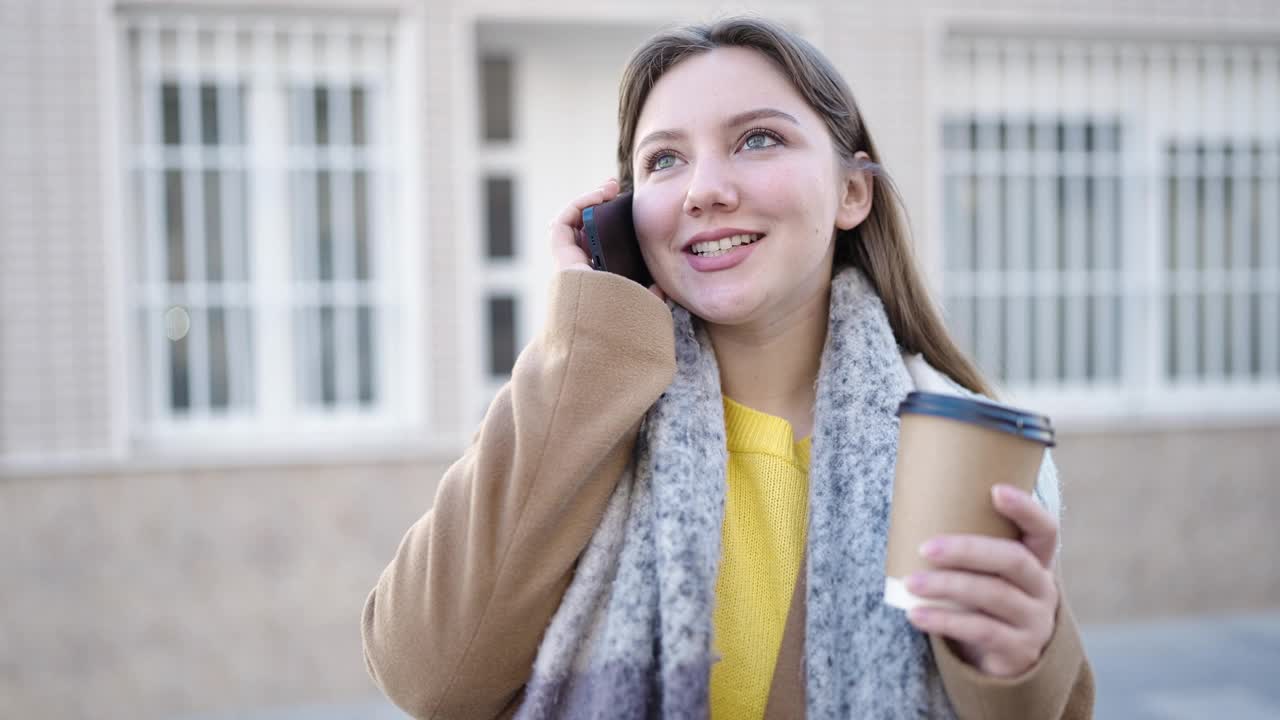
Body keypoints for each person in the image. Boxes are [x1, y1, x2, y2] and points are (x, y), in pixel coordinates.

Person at [362, 15, 1094, 720]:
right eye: (665, 160)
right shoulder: (582, 416)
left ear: (852, 192)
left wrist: (1017, 672)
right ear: (623, 215)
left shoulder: (955, 446)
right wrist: (585, 342)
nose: (703, 189)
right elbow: (428, 678)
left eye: (758, 139)